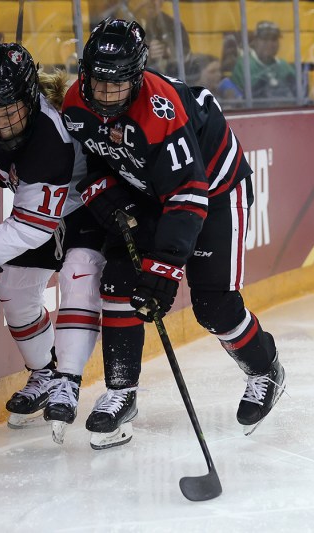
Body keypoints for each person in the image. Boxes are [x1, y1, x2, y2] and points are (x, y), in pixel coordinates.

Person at [61, 19, 286, 448]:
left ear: (138, 76)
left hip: (216, 191)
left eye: (118, 85)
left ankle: (264, 368)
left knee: (212, 305)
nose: (105, 96)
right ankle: (121, 391)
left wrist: (164, 272)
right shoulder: (77, 101)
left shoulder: (159, 111)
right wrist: (105, 194)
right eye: (98, 82)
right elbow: (92, 159)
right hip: (151, 188)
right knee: (119, 282)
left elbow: (189, 195)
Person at [0, 43, 106, 439]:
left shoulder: (52, 138)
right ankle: (44, 373)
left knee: (77, 283)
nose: (3, 123)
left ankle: (69, 378)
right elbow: (2, 160)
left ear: (30, 101)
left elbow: (32, 227)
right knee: (13, 291)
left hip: (82, 207)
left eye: (11, 111)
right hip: (41, 210)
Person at [230, 20, 296, 100]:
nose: (270, 44)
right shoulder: (244, 65)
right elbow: (238, 97)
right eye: (265, 39)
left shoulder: (284, 66)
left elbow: (297, 92)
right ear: (255, 41)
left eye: (274, 39)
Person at [134, 0, 191, 78]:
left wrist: (167, 51)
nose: (152, 2)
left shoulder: (172, 24)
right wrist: (146, 53)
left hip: (167, 77)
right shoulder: (126, 23)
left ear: (161, 2)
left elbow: (185, 53)